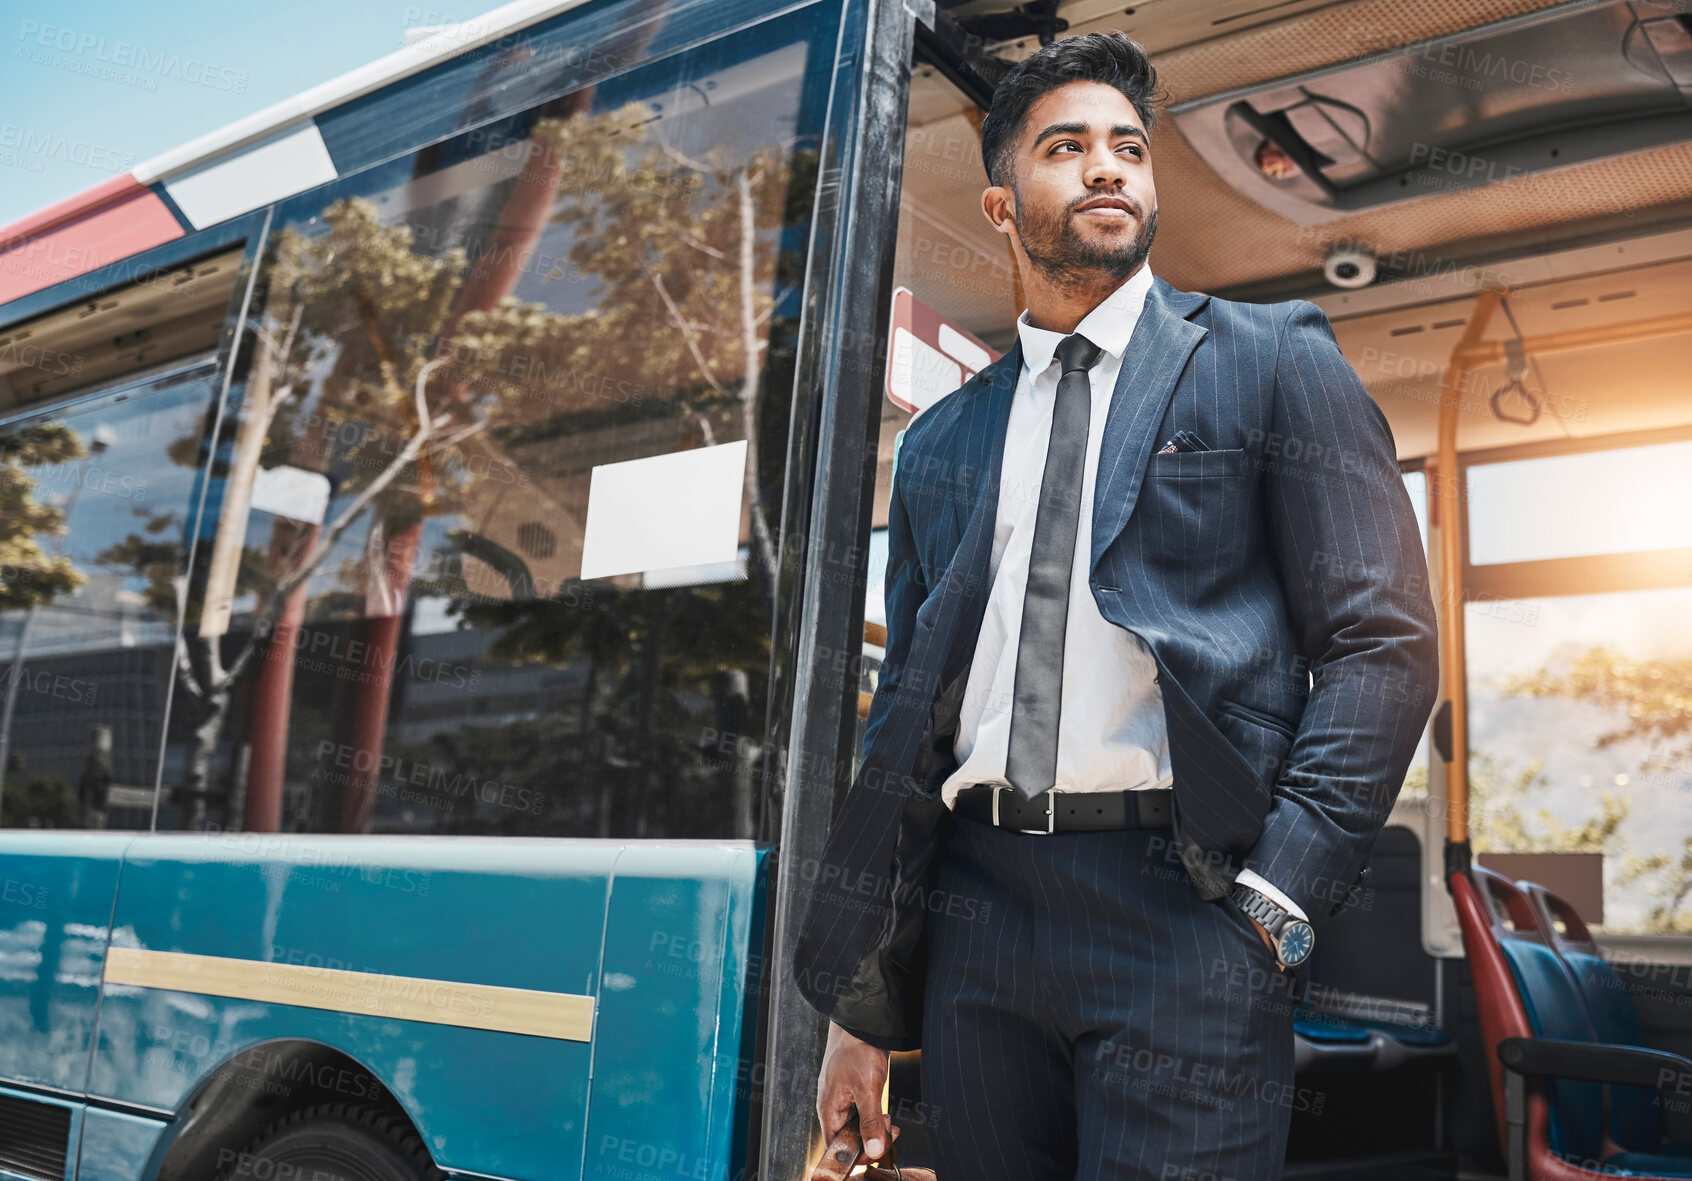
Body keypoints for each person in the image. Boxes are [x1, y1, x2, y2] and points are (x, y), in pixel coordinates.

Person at [790, 29, 1440, 1181]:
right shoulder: (941, 441)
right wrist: (865, 1002)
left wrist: (1273, 906)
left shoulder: (1271, 358)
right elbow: (907, 715)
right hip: (979, 916)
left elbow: (1380, 646)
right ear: (1001, 205)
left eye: (1129, 148)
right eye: (1067, 147)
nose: (1108, 168)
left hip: (1189, 911)